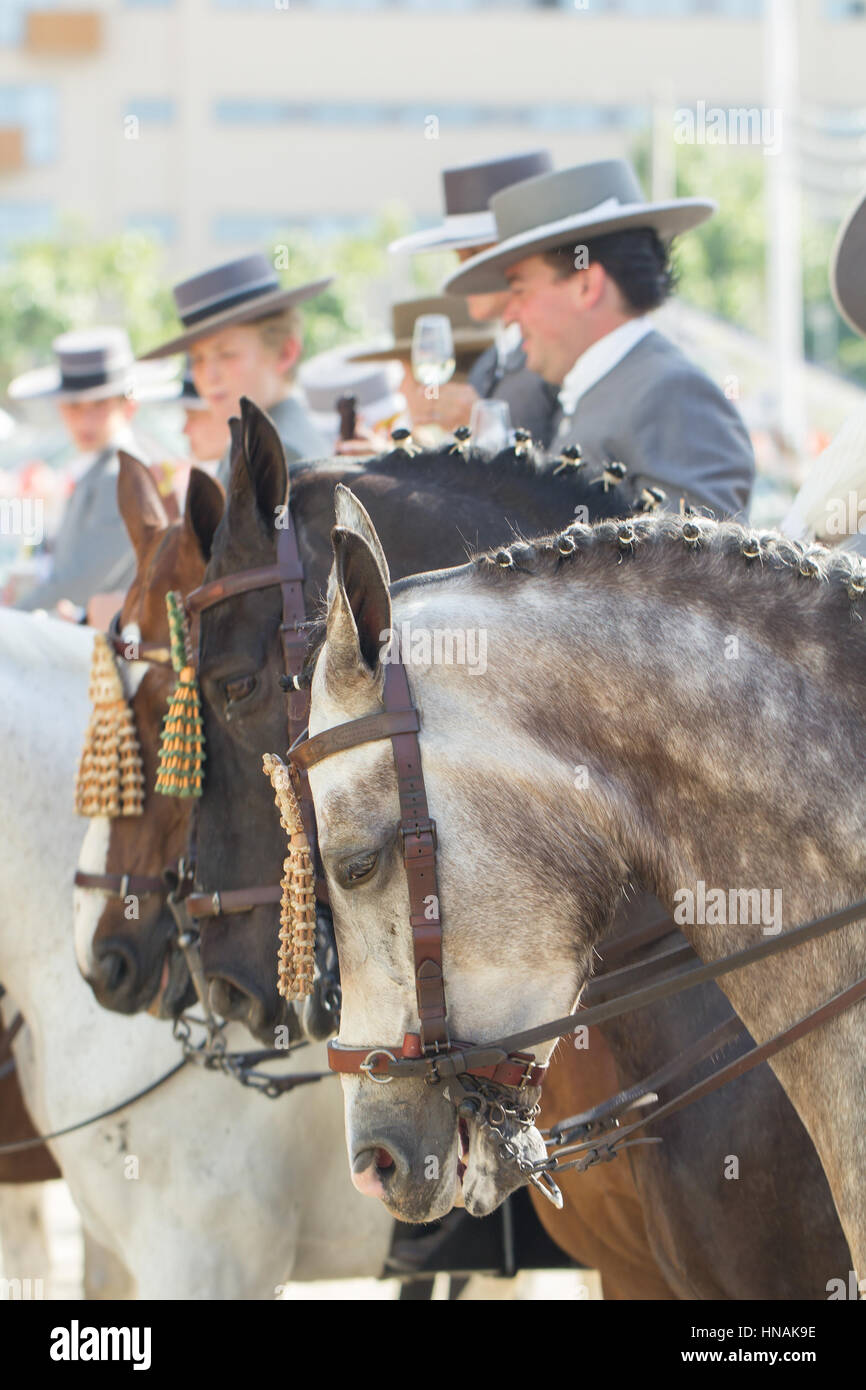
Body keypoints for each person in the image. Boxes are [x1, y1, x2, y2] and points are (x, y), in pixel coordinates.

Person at [445, 159, 755, 519]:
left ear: (586, 285)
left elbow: (702, 569)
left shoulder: (673, 395)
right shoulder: (608, 387)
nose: (510, 314)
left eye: (520, 290)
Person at [389, 150, 558, 447]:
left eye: (477, 257)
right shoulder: (490, 362)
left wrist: (480, 422)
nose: (464, 276)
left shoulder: (556, 358)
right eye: (460, 259)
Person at [9, 328, 177, 618]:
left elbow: (76, 583)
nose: (85, 420)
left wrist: (10, 615)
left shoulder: (119, 476)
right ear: (61, 408)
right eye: (74, 406)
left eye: (100, 404)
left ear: (128, 406)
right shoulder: (99, 467)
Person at [141, 252, 332, 485]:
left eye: (226, 354)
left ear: (285, 352)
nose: (207, 377)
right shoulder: (248, 442)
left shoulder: (277, 455)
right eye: (197, 359)